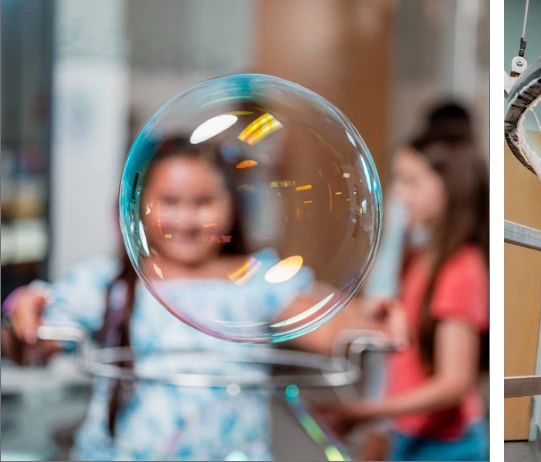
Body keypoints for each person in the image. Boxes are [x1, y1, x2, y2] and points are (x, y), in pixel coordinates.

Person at [2, 136, 365, 460]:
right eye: (170, 202)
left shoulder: (260, 279)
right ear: (139, 207)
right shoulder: (107, 281)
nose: (187, 220)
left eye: (204, 202)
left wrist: (371, 318)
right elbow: (32, 347)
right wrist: (24, 317)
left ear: (233, 206)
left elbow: (334, 334)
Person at [313, 114, 490, 461]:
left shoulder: (461, 268)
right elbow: (422, 333)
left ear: (450, 186)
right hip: (412, 435)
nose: (398, 193)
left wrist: (364, 411)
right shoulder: (424, 256)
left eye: (410, 181)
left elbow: (454, 383)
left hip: (446, 446)